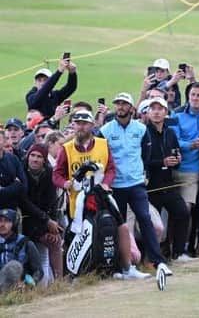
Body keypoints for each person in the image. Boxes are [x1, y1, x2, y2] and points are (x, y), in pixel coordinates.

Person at [52, 110, 150, 280]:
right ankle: (76, 274)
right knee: (78, 235)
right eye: (77, 123)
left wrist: (106, 183)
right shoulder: (66, 149)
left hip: (101, 196)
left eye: (84, 123)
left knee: (122, 227)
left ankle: (127, 268)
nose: (81, 127)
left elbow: (111, 168)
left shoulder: (102, 144)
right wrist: (64, 183)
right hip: (78, 200)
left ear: (91, 125)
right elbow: (57, 174)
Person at [100, 92, 171, 274]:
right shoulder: (106, 130)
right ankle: (122, 266)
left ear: (131, 108)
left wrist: (142, 171)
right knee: (120, 226)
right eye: (118, 104)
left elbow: (145, 154)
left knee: (145, 219)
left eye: (124, 104)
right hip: (116, 186)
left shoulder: (140, 129)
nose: (120, 107)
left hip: (136, 183)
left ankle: (157, 261)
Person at [141, 97, 192, 262]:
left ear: (165, 112)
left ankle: (178, 253)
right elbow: (142, 161)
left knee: (182, 212)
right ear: (148, 113)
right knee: (150, 224)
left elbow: (177, 155)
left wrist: (177, 161)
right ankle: (149, 258)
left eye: (160, 109)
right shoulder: (143, 133)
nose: (156, 112)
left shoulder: (170, 133)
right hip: (150, 187)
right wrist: (161, 162)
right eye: (153, 109)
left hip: (168, 183)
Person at [19, 143, 63, 283]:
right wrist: (47, 221)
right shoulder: (21, 171)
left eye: (39, 157)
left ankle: (58, 281)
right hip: (26, 219)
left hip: (43, 218)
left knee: (55, 240)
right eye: (32, 155)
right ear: (28, 156)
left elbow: (52, 202)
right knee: (47, 245)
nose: (35, 159)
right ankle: (48, 283)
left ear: (44, 160)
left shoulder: (49, 173)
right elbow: (24, 202)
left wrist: (53, 226)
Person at [0, 208, 43, 292]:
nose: (2, 224)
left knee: (14, 266)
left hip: (19, 285)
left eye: (7, 221)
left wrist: (29, 285)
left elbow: (38, 271)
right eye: (0, 221)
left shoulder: (26, 243)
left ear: (15, 223)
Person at [0, 129, 27, 210]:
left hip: (13, 213)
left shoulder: (12, 158)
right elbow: (19, 185)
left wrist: (4, 190)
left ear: (4, 141)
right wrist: (15, 186)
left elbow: (24, 187)